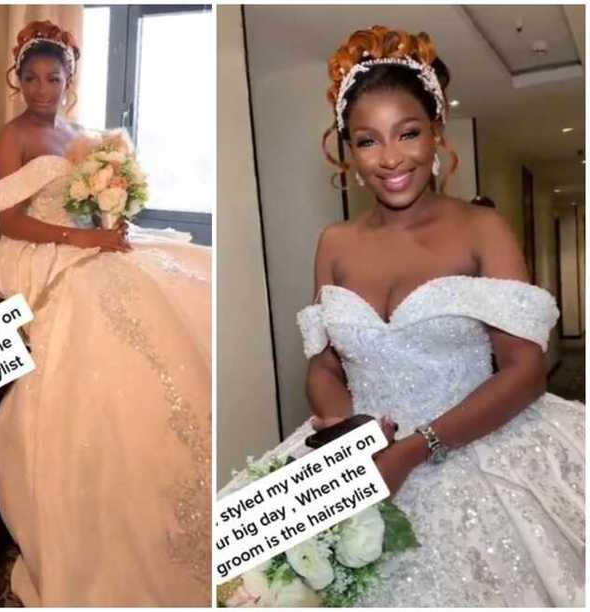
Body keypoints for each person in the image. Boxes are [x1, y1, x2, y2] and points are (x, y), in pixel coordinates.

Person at [224, 26, 584, 606]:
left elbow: (525, 369)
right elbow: (324, 367)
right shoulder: (334, 241)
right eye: (368, 141)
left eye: (408, 133)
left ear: (437, 133)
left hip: (471, 445)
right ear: (347, 150)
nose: (390, 159)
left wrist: (413, 451)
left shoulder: (479, 228)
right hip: (357, 453)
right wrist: (347, 437)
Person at [0, 21, 212, 606]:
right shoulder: (13, 137)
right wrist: (84, 242)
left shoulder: (83, 133)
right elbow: (8, 222)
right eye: (31, 78)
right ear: (18, 80)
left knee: (177, 273)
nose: (42, 89)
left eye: (52, 78)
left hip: (86, 241)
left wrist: (112, 221)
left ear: (68, 80)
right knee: (95, 304)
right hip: (34, 250)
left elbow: (101, 202)